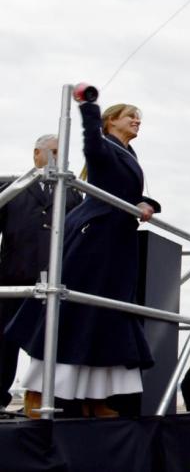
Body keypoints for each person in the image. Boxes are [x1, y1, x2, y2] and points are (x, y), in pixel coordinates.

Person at [5, 101, 161, 417]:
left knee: (106, 318)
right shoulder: (101, 145)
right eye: (130, 115)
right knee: (74, 314)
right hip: (93, 240)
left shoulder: (128, 153)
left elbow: (122, 191)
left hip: (116, 245)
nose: (136, 120)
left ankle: (94, 399)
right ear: (111, 121)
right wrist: (89, 109)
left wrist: (146, 204)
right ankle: (36, 393)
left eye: (138, 117)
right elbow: (91, 144)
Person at [0, 134, 83, 408]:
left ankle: (46, 397)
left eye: (64, 152)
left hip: (56, 279)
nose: (61, 157)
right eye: (55, 151)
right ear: (38, 154)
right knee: (4, 340)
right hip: (14, 276)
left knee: (52, 341)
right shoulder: (11, 186)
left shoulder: (72, 191)